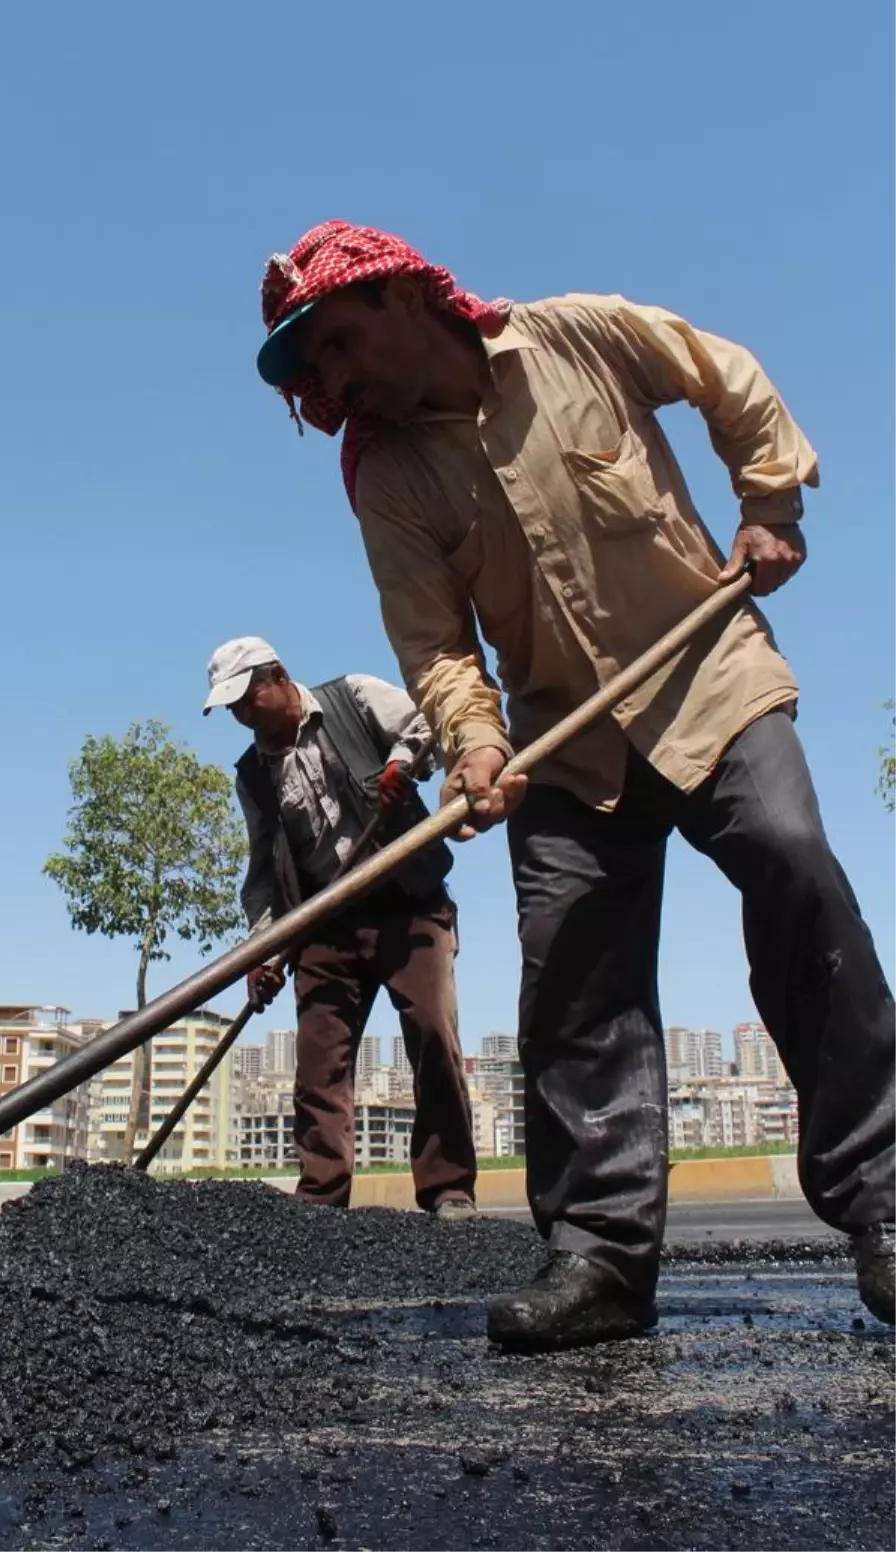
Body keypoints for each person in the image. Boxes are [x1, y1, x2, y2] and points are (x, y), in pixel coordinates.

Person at [250, 219, 896, 1351]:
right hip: (560, 741)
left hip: (710, 677)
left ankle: (888, 1204)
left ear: (402, 295)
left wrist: (770, 500)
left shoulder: (574, 338)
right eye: (317, 373)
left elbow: (722, 372)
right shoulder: (390, 477)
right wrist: (477, 743)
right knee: (572, 987)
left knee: (795, 869)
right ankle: (598, 1258)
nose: (336, 382)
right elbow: (437, 643)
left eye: (342, 346)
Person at [203, 635, 478, 1217]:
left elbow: (427, 723)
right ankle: (321, 1203)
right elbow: (263, 867)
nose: (243, 716)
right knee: (319, 1065)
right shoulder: (253, 774)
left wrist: (402, 765)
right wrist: (265, 950)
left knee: (433, 1036)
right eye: (233, 710)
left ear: (277, 675)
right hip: (324, 924)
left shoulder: (352, 697)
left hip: (408, 903)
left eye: (248, 700)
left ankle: (448, 1188)